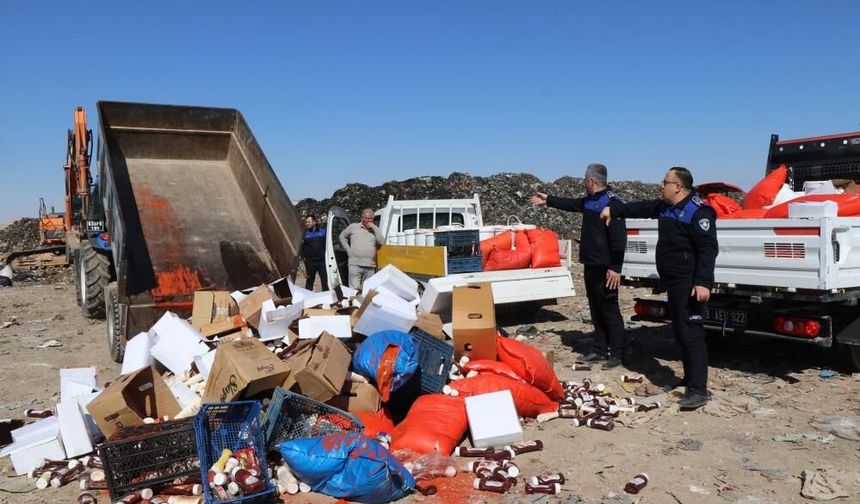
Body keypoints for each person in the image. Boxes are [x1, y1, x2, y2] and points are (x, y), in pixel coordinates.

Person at [600, 166, 718, 410]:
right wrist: (614, 208)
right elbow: (639, 207)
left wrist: (703, 282)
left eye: (665, 182)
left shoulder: (698, 212)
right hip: (673, 282)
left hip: (690, 283)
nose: (661, 185)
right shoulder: (666, 207)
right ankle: (689, 379)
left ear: (678, 187)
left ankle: (699, 390)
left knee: (691, 334)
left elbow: (708, 249)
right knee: (680, 333)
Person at [530, 163, 628, 369]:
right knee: (595, 308)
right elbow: (572, 204)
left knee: (610, 309)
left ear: (591, 181)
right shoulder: (590, 201)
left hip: (607, 267)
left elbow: (619, 239)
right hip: (591, 263)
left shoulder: (612, 204)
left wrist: (615, 267)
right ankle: (600, 349)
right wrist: (548, 200)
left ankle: (617, 353)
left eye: (585, 179)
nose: (583, 182)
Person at [338, 208, 384, 289]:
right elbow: (342, 236)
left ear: (373, 218)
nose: (367, 220)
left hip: (370, 266)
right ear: (362, 217)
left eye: (369, 218)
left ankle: (364, 302)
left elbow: (381, 242)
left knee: (368, 289)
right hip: (355, 265)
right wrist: (348, 249)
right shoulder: (353, 227)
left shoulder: (375, 230)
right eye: (365, 218)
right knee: (355, 290)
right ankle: (353, 302)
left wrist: (374, 227)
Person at [300, 214, 328, 291]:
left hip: (322, 262)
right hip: (310, 262)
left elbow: (328, 244)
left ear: (314, 222)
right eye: (306, 222)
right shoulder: (305, 234)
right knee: (309, 281)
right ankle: (308, 298)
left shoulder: (323, 232)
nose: (307, 224)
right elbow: (301, 247)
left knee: (325, 281)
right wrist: (304, 259)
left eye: (309, 222)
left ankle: (327, 299)